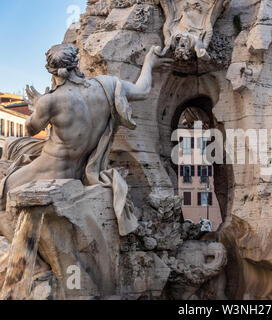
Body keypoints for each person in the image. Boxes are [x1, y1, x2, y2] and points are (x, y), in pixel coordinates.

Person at [0, 43, 173, 239]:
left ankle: (35, 263)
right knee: (14, 148)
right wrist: (149, 63)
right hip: (79, 171)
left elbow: (30, 129)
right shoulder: (107, 85)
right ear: (77, 63)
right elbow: (142, 91)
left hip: (47, 171)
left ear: (51, 70)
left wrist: (37, 104)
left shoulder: (51, 101)